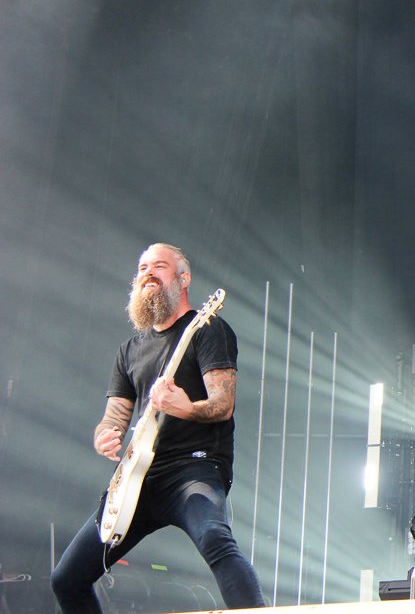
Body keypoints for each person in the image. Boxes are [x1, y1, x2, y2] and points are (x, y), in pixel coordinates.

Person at [51, 243, 266, 613]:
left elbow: (223, 405)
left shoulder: (207, 329)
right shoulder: (130, 350)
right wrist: (107, 433)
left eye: (160, 266)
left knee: (216, 539)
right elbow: (116, 415)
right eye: (142, 267)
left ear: (183, 279)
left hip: (193, 469)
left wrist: (186, 407)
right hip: (138, 479)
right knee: (66, 580)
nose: (148, 272)